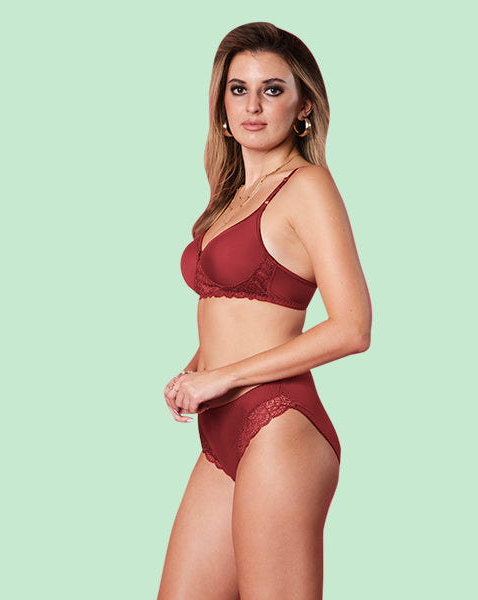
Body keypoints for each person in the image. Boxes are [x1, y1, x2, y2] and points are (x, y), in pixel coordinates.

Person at [158, 22, 372, 600]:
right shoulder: (230, 198)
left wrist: (222, 377)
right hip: (220, 432)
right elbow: (237, 310)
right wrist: (195, 369)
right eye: (239, 89)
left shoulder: (307, 186)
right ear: (222, 104)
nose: (252, 105)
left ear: (303, 106)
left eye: (272, 90)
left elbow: (353, 327)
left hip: (278, 425)